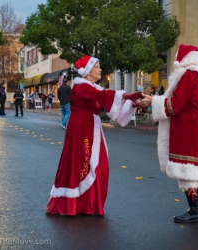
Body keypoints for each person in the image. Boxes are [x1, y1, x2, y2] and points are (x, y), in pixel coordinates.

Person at [45, 55, 143, 215]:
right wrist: (127, 95)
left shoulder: (93, 87)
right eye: (97, 67)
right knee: (84, 164)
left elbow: (106, 99)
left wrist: (132, 102)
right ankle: (78, 204)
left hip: (91, 127)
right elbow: (104, 96)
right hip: (81, 128)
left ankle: (88, 204)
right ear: (88, 70)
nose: (100, 69)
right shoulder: (80, 87)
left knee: (99, 165)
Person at [140, 44, 198, 223]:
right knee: (196, 169)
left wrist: (152, 101)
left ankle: (196, 210)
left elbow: (175, 104)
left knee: (189, 170)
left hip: (190, 129)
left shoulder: (189, 75)